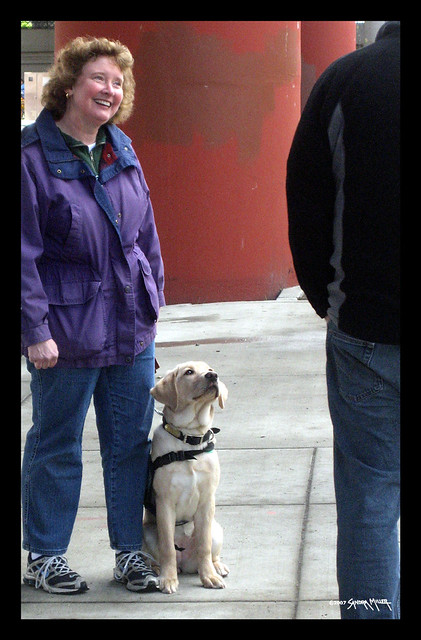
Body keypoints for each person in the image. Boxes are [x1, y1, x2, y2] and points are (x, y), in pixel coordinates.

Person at [21, 36, 165, 594]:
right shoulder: (32, 158)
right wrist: (34, 330)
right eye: (100, 79)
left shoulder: (121, 148)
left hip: (130, 325)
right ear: (70, 86)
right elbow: (24, 255)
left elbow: (146, 235)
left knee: (129, 443)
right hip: (65, 329)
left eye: (119, 82)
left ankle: (131, 550)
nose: (111, 90)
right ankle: (46, 555)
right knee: (56, 443)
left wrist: (153, 303)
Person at [286, 22, 400, 619]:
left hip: (366, 327)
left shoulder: (344, 79)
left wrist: (324, 298)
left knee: (369, 496)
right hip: (364, 322)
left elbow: (304, 196)